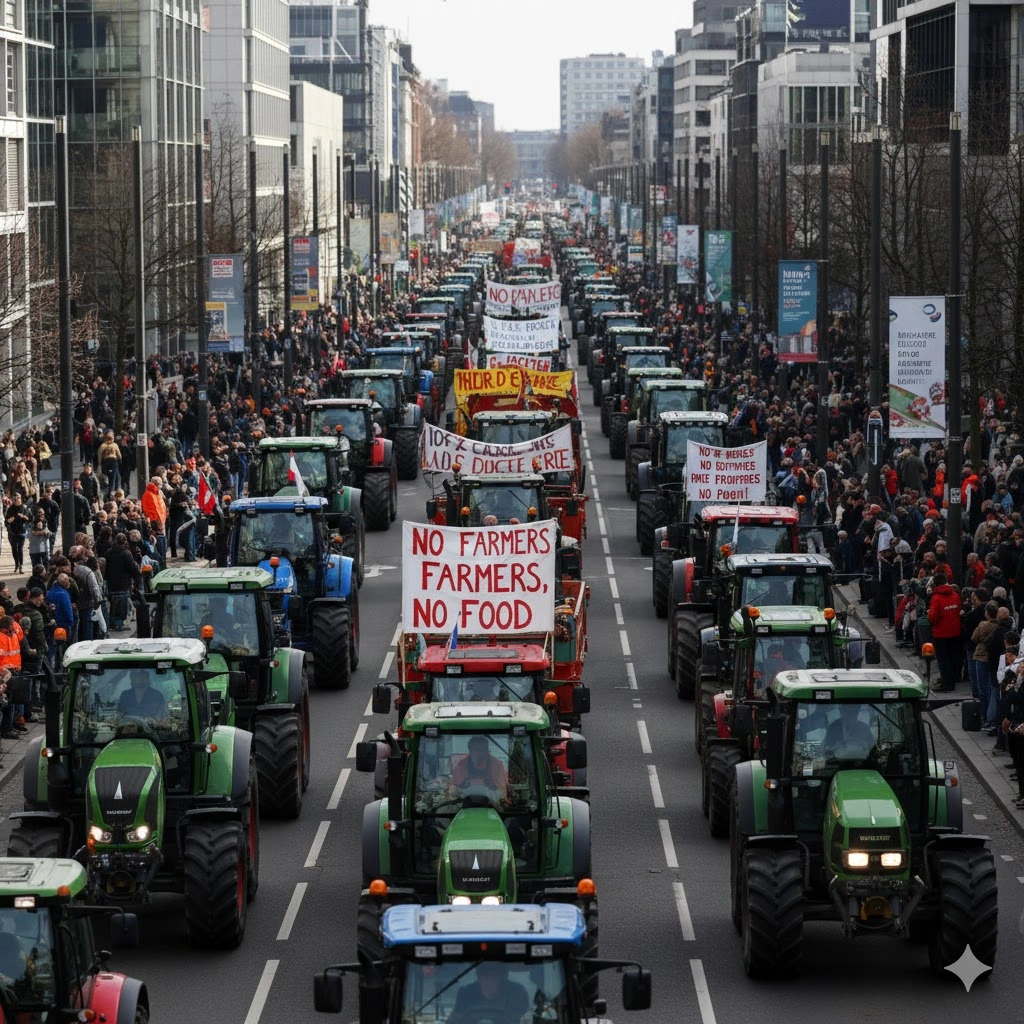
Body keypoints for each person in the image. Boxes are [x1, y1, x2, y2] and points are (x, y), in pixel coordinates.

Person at [446, 962, 530, 1024]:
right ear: (479, 978)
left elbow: (527, 1019)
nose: (489, 981)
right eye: (485, 976)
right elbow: (454, 1019)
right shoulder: (466, 994)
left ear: (502, 978)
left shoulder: (516, 993)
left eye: (494, 977)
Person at [927, 569, 962, 691]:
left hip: (941, 633)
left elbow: (932, 617)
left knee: (943, 660)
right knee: (953, 658)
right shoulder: (955, 596)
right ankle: (952, 680)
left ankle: (946, 683)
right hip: (955, 632)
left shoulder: (936, 598)